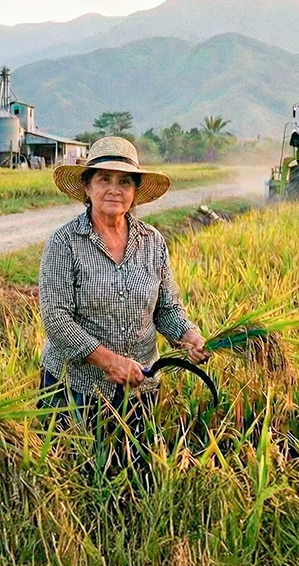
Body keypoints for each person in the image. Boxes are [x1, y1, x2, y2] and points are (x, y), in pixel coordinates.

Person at [38, 136, 209, 470]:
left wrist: (189, 336)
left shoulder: (152, 242)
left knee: (135, 475)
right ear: (87, 186)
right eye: (104, 179)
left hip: (139, 388)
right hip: (76, 389)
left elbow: (167, 308)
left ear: (134, 192)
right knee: (78, 479)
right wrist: (109, 361)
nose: (114, 190)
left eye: (124, 182)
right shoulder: (64, 243)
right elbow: (57, 320)